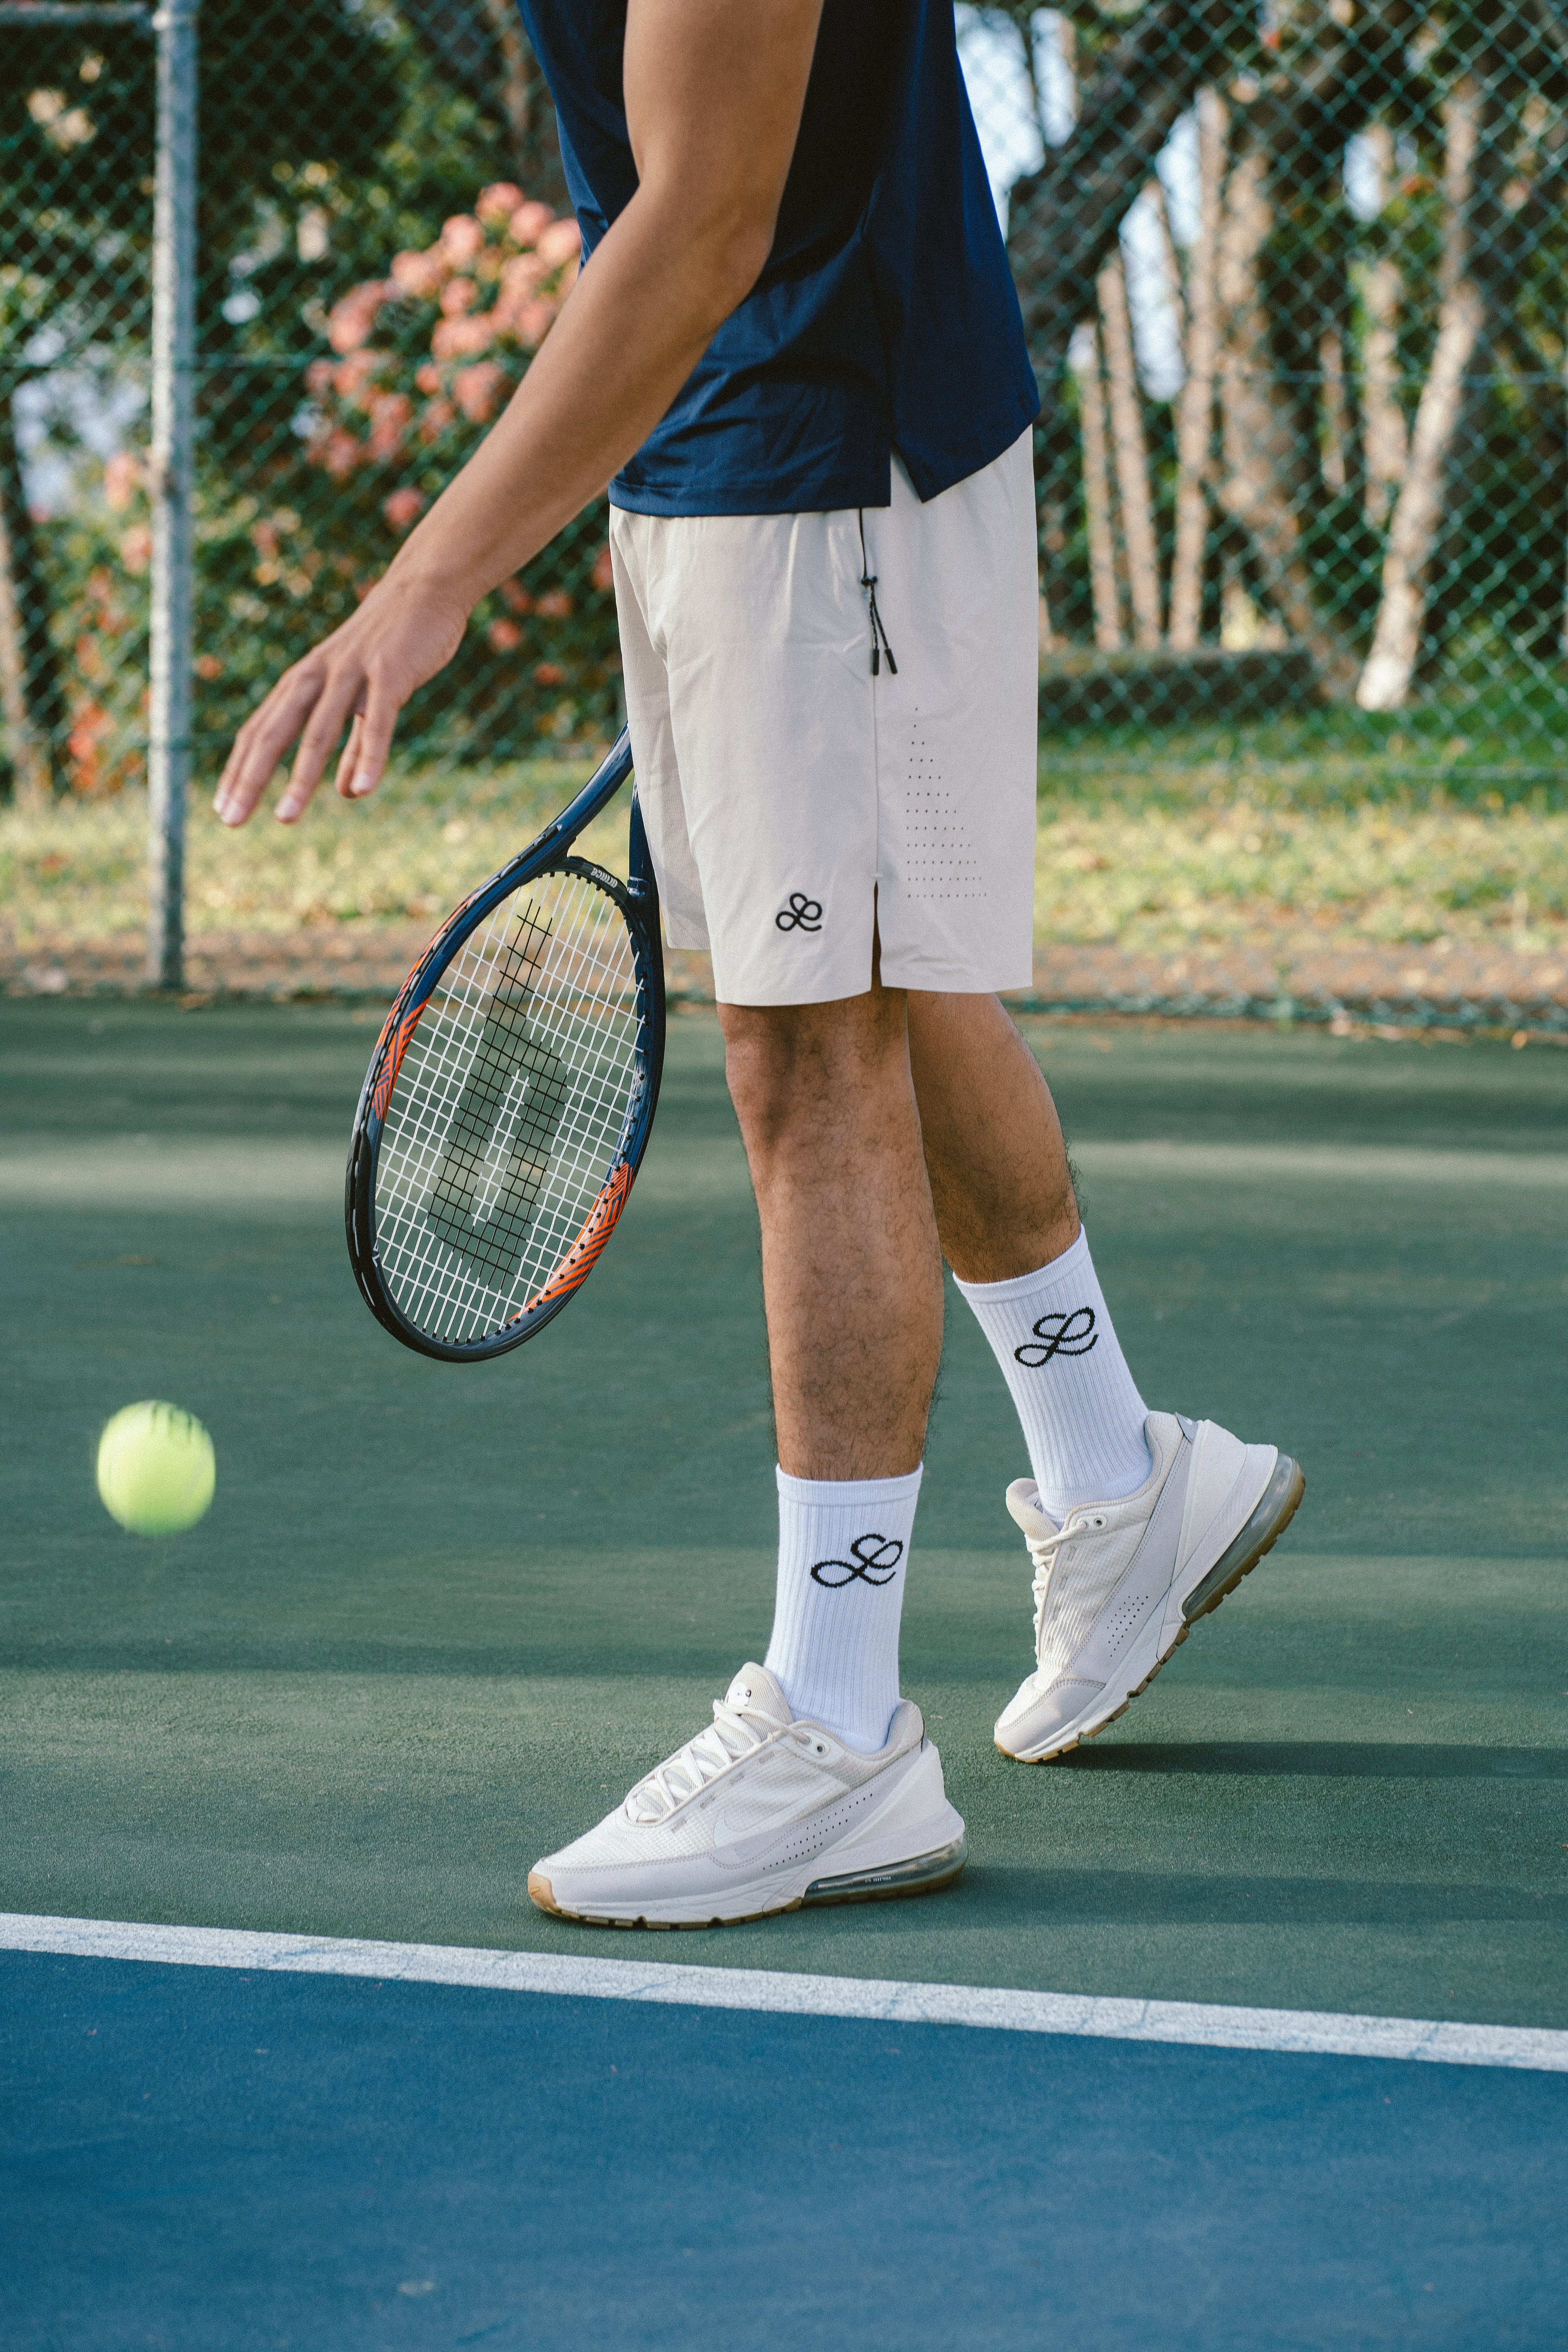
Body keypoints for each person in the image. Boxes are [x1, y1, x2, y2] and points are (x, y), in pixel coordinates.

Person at [216, 0, 1304, 1930]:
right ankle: (1115, 1475)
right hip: (733, 438)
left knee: (812, 1058)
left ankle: (837, 1726)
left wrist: (427, 581)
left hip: (824, 444)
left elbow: (711, 207)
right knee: (869, 981)